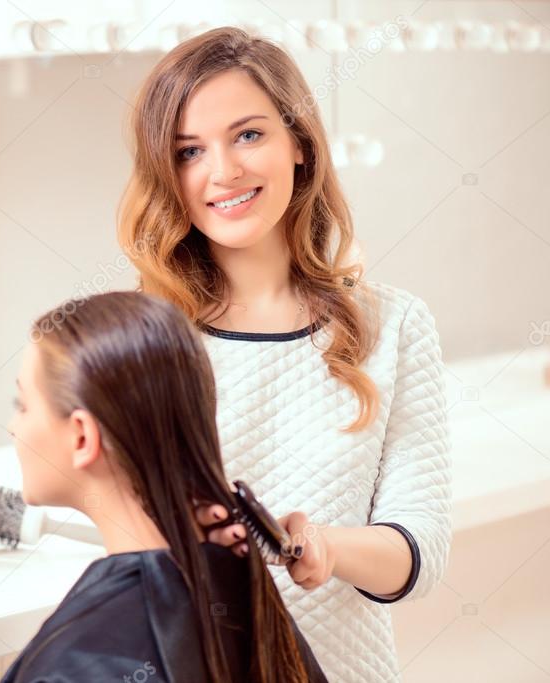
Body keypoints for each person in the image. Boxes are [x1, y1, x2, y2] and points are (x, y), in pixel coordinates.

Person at [117, 26, 451, 681]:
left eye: (247, 135)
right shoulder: (147, 337)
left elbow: (421, 550)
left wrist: (325, 545)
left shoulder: (394, 326)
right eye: (188, 151)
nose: (223, 171)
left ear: (298, 144)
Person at [2, 291, 327, 682]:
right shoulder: (247, 592)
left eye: (22, 405)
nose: (14, 427)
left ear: (81, 438)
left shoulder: (79, 663)